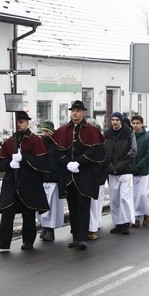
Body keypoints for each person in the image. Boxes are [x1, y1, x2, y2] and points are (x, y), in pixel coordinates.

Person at [0, 111, 50, 251]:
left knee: (28, 213)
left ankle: (28, 241)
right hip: (11, 183)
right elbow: (0, 162)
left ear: (27, 123)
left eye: (21, 121)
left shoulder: (35, 140)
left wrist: (24, 159)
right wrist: (10, 163)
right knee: (7, 212)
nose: (19, 124)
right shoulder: (10, 141)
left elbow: (43, 162)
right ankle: (4, 242)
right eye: (17, 122)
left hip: (29, 182)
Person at [51, 100, 106, 250]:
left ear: (83, 113)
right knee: (73, 207)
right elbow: (57, 152)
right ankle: (75, 236)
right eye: (73, 110)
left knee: (83, 206)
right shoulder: (63, 130)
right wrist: (67, 162)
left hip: (84, 175)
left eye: (77, 110)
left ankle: (82, 238)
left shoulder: (91, 130)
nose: (74, 113)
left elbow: (95, 151)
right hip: (69, 175)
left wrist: (79, 162)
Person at [105, 111, 137, 235]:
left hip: (125, 171)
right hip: (112, 171)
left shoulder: (128, 133)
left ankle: (125, 223)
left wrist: (119, 165)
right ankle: (117, 222)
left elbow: (133, 151)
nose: (114, 122)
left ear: (121, 121)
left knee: (124, 198)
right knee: (114, 199)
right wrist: (111, 166)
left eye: (117, 120)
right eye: (113, 120)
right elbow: (105, 151)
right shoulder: (107, 133)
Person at [37, 120, 63, 242]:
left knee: (51, 207)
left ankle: (50, 230)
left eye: (47, 131)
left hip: (53, 180)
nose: (44, 133)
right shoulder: (40, 143)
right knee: (41, 206)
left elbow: (58, 162)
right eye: (42, 131)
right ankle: (44, 227)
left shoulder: (56, 145)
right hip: (42, 179)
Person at [131, 115, 149, 227]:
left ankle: (146, 214)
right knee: (134, 195)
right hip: (131, 171)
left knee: (143, 195)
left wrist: (139, 166)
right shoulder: (130, 136)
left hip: (143, 171)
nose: (135, 125)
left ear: (142, 124)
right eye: (133, 123)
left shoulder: (147, 137)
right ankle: (135, 217)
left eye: (137, 123)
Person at [88, 123, 108, 240]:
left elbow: (105, 162)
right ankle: (92, 224)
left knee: (95, 204)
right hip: (89, 178)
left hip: (98, 179)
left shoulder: (102, 144)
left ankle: (94, 227)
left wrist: (99, 175)